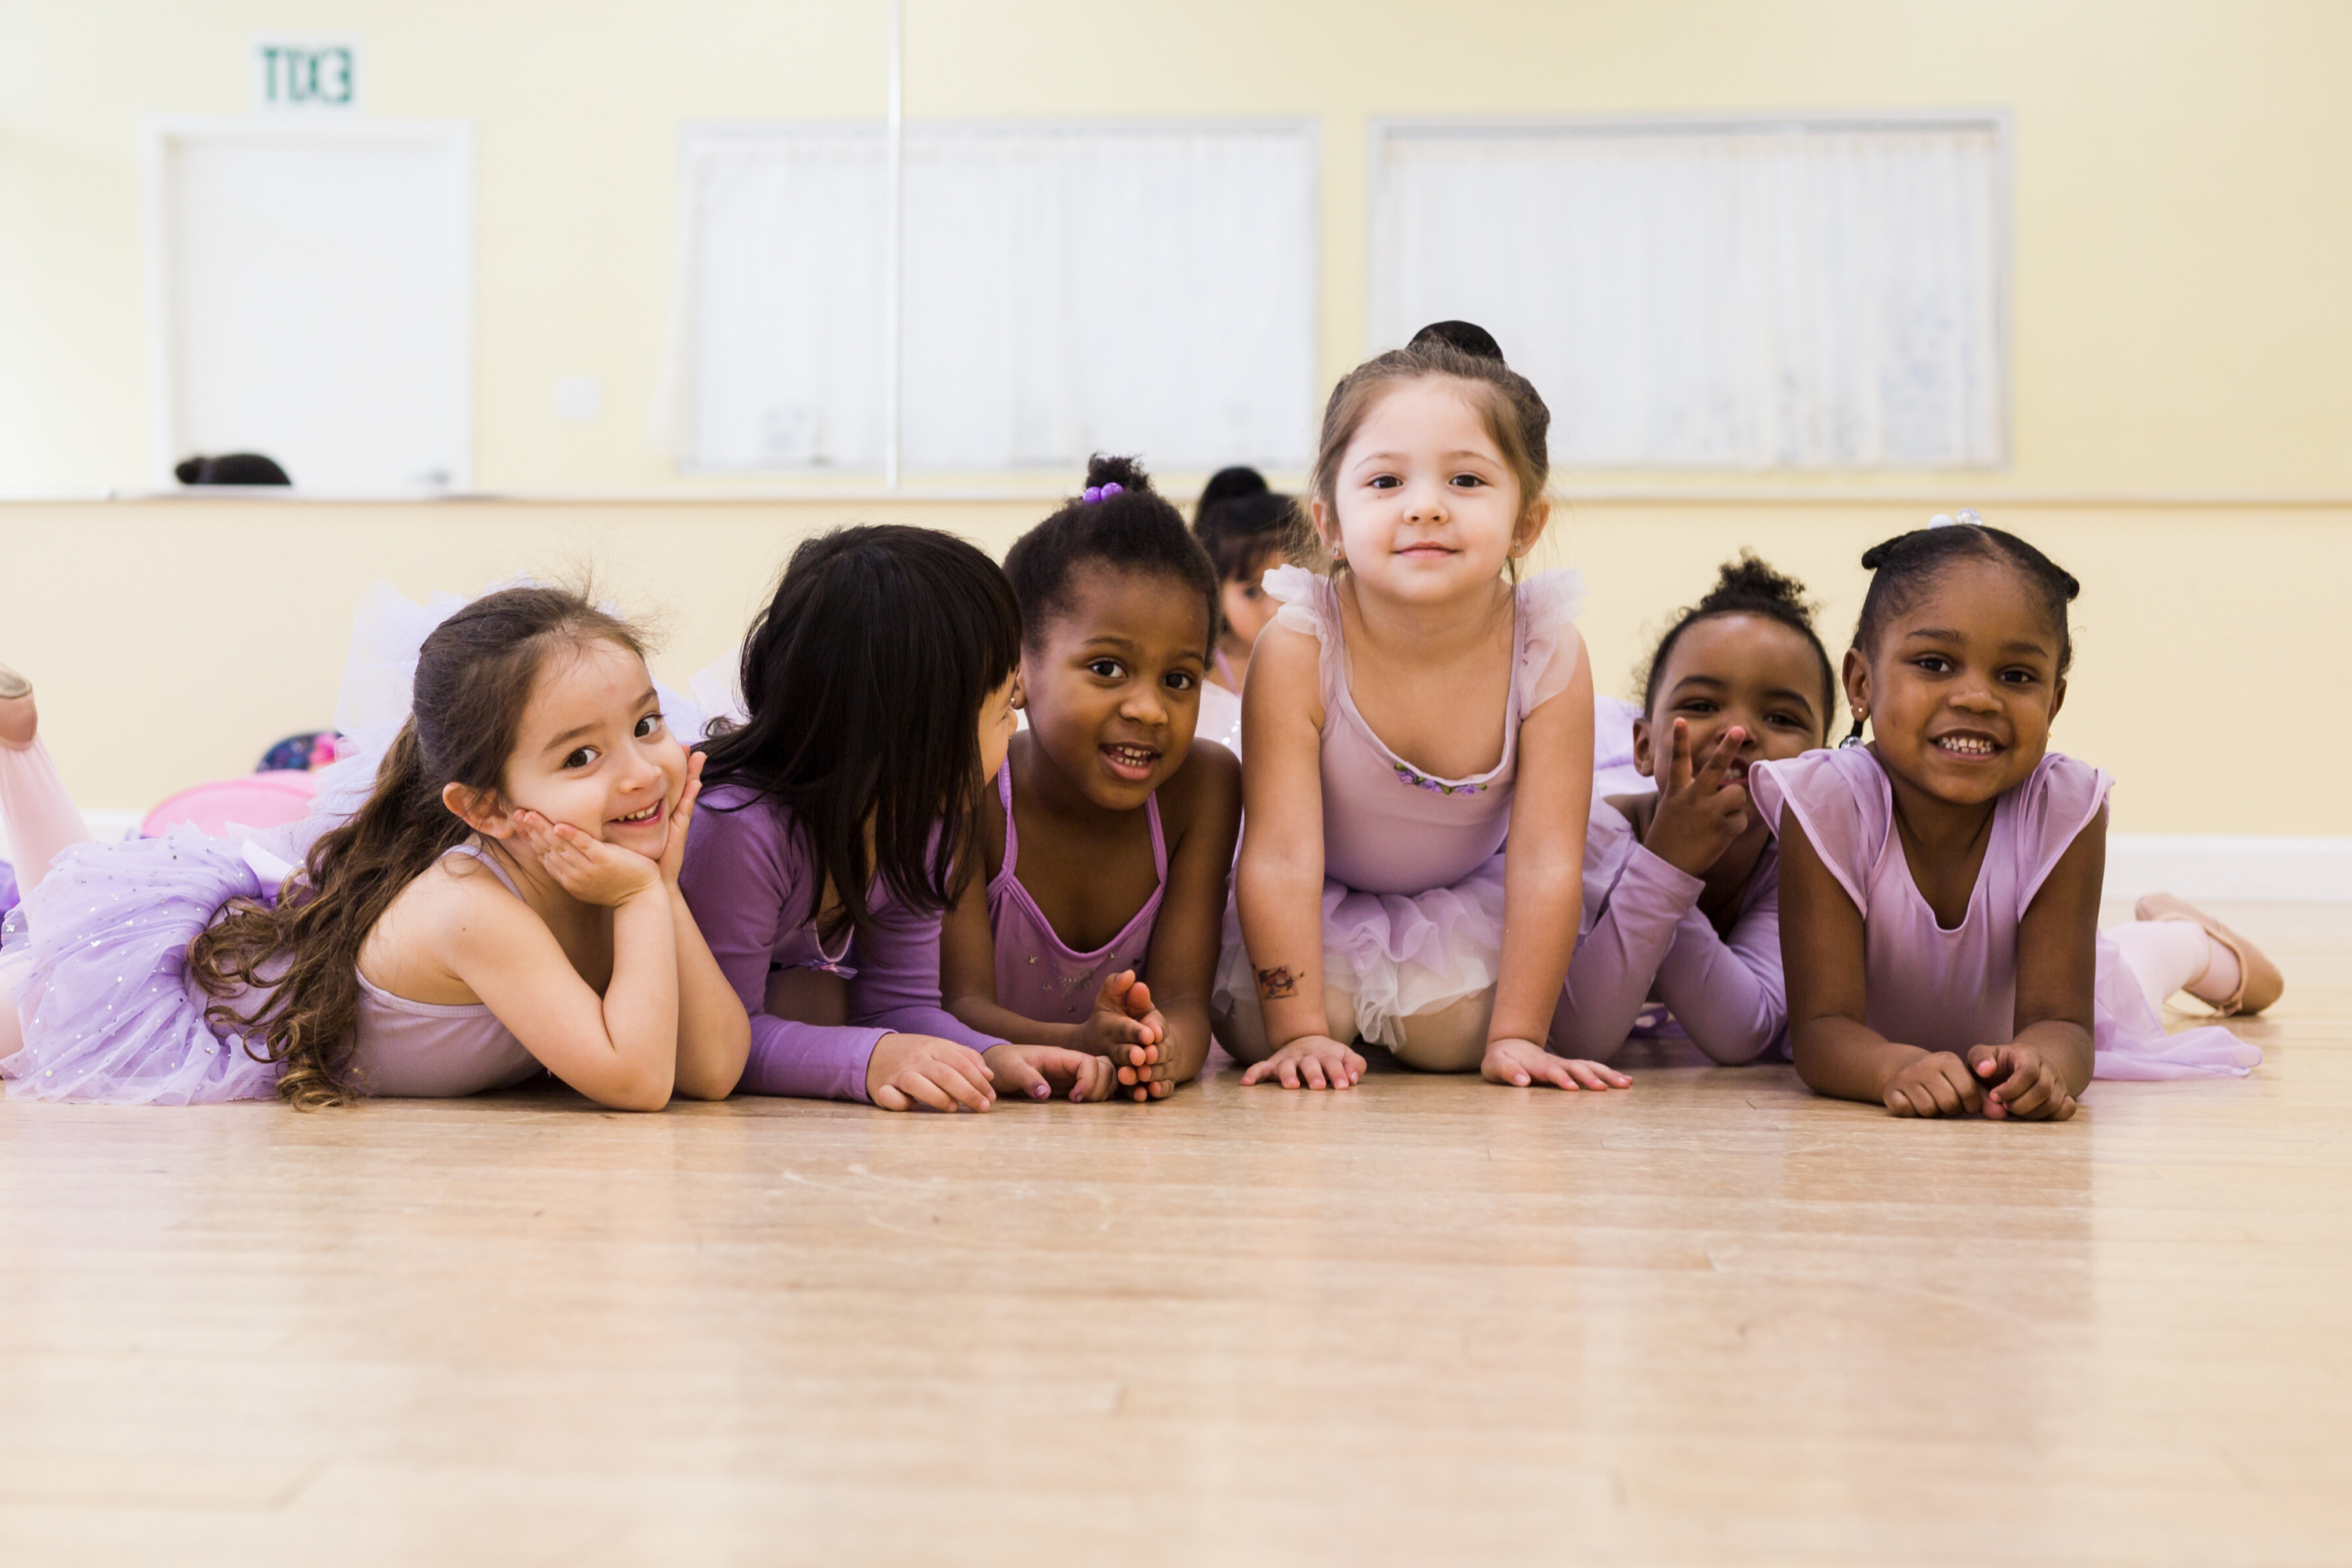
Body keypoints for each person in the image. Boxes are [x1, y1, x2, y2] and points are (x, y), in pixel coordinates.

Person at [0, 588, 750, 1109]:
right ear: (485, 807)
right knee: (67, 962)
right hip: (196, 999)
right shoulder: (472, 908)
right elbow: (639, 1082)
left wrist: (661, 887)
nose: (641, 771)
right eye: (581, 758)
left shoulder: (605, 872)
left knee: (71, 925)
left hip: (266, 946)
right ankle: (17, 754)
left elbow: (712, 1071)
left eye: (647, 725)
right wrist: (645, 894)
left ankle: (16, 749)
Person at [1217, 323, 1628, 1094]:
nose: (1427, 508)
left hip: (1462, 894)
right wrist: (1297, 1028)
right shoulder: (1300, 644)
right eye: (1386, 482)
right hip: (1316, 889)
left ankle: (1470, 1023)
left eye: (1467, 482)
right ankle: (1317, 1015)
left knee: (1456, 1039)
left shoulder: (1547, 650)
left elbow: (1544, 861)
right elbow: (1280, 856)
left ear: (1526, 523)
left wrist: (1517, 1037)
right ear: (1329, 523)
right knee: (1265, 1025)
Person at [1761, 513, 2270, 1120]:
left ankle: (2194, 937)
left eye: (2017, 676)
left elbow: (2064, 1024)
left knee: (2150, 961)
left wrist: (2042, 1063)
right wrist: (1893, 1068)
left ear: (2053, 699)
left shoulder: (2063, 808)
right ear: (1862, 682)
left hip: (2081, 991)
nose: (1977, 697)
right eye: (1934, 663)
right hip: (1904, 1046)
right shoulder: (1827, 804)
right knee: (2131, 952)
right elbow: (1822, 1030)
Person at [678, 525, 1113, 1111]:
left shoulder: (923, 823)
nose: (1015, 727)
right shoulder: (738, 828)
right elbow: (717, 1042)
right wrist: (871, 1060)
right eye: (1003, 709)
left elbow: (898, 1008)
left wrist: (992, 1056)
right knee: (812, 1001)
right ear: (918, 738)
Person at [941, 458, 1243, 1101]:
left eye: (1179, 679)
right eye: (1108, 668)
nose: (1148, 708)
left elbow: (1187, 1002)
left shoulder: (1202, 789)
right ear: (1018, 663)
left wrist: (1156, 1051)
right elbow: (956, 1005)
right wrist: (1081, 1042)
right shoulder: (974, 792)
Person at [1552, 555, 1835, 1065]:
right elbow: (1582, 1036)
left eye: (1781, 716)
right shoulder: (1588, 833)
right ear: (1642, 747)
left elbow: (1743, 1031)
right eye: (1702, 706)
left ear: (1819, 764)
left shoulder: (1798, 854)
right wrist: (1663, 864)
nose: (1738, 733)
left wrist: (1669, 875)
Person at [1190, 466, 1296, 755]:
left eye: (1288, 585)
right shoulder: (1198, 672)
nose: (1276, 608)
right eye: (1252, 592)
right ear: (1215, 590)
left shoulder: (1324, 658)